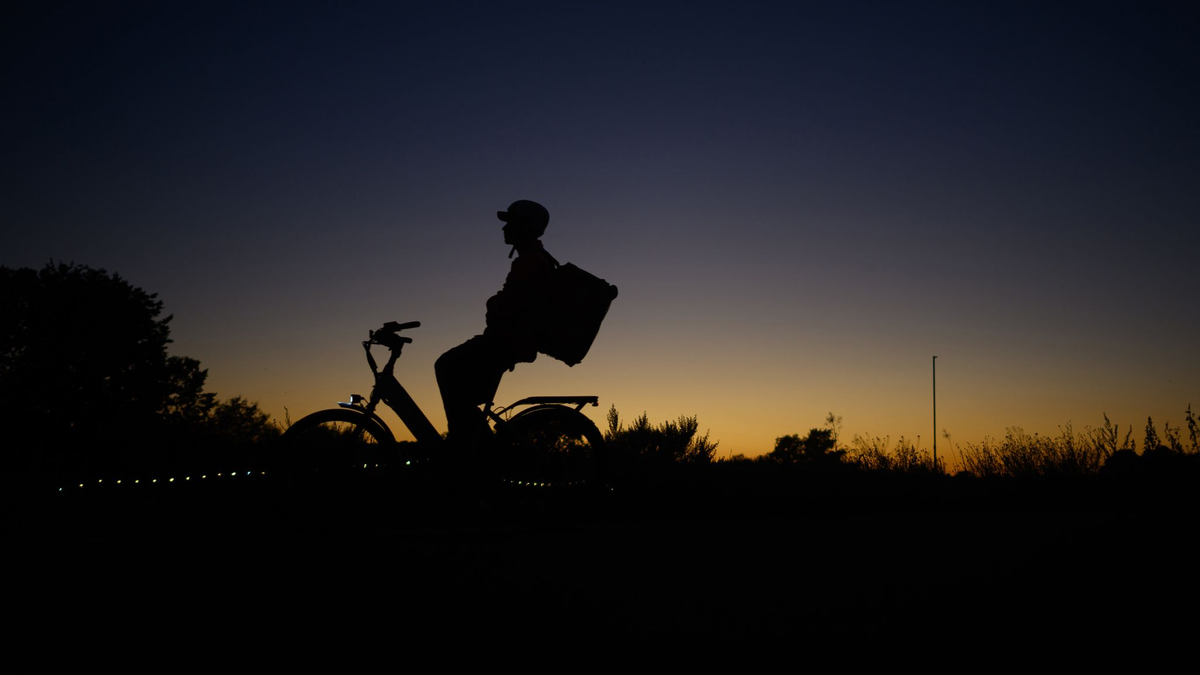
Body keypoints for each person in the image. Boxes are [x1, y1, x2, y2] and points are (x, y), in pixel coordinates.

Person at [435, 199, 557, 454]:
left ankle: (472, 450)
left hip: (507, 342)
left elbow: (507, 306)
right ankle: (476, 448)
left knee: (446, 366)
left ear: (524, 226)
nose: (504, 228)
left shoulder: (530, 262)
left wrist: (493, 303)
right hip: (510, 341)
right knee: (459, 386)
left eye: (510, 223)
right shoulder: (535, 259)